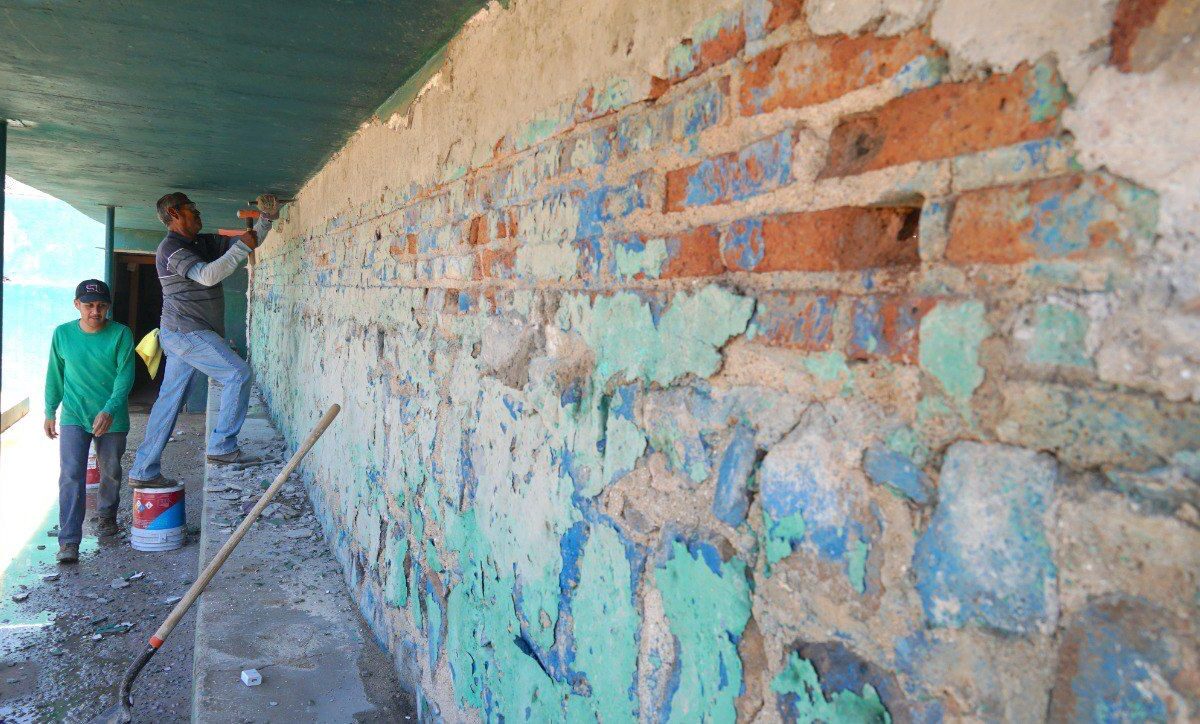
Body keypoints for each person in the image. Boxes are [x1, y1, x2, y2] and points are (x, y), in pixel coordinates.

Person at [127, 192, 280, 488]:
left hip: (182, 333)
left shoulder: (201, 242)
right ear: (174, 213)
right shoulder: (171, 248)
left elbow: (249, 241)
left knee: (170, 401)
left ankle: (143, 470)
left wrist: (267, 220)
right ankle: (222, 448)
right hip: (187, 332)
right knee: (238, 373)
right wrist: (240, 250)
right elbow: (208, 276)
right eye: (192, 209)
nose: (198, 214)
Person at [44, 280, 135, 564]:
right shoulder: (62, 334)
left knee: (110, 471)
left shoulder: (120, 334)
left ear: (107, 307)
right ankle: (69, 541)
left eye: (101, 306)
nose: (95, 311)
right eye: (89, 305)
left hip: (113, 416)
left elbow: (125, 377)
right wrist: (49, 410)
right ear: (76, 305)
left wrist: (108, 410)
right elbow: (55, 374)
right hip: (74, 414)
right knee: (71, 475)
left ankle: (106, 516)